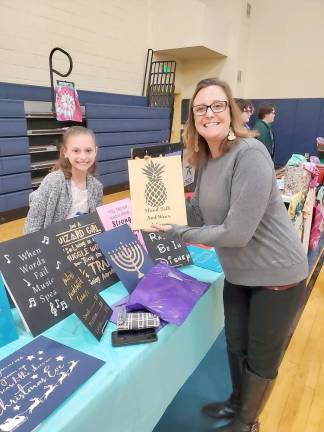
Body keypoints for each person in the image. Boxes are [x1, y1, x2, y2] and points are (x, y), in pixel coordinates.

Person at [150, 78, 308, 432]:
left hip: (277, 275)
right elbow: (205, 214)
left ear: (231, 110)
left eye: (218, 105)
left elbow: (236, 233)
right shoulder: (206, 159)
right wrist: (156, 214)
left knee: (261, 356)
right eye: (201, 108)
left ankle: (248, 422)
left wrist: (177, 231)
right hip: (238, 273)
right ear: (193, 118)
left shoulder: (249, 154)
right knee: (235, 343)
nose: (210, 113)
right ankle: (237, 404)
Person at [24, 126, 102, 233]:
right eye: (76, 150)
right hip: (52, 246)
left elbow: (97, 224)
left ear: (95, 151)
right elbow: (32, 225)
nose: (83, 156)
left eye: (88, 150)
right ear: (65, 152)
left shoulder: (97, 187)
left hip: (80, 245)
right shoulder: (53, 181)